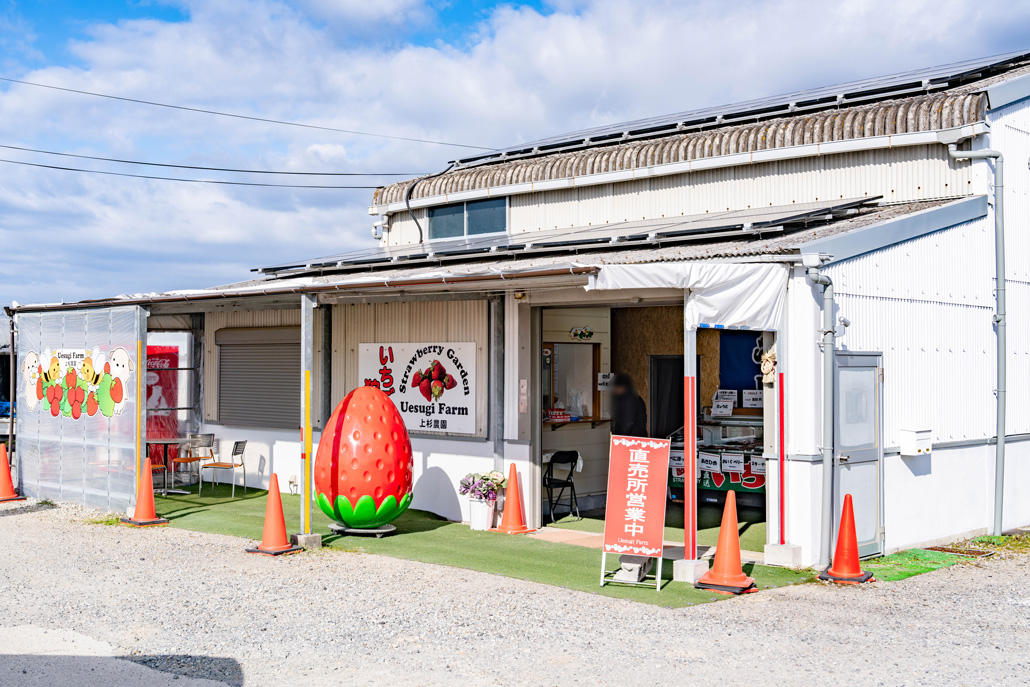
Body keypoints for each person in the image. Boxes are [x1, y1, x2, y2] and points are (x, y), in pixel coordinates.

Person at [611, 373, 647, 437]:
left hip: (631, 438)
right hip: (638, 437)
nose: (614, 390)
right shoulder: (636, 397)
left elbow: (628, 422)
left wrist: (619, 437)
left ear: (622, 387)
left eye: (616, 387)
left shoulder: (628, 399)